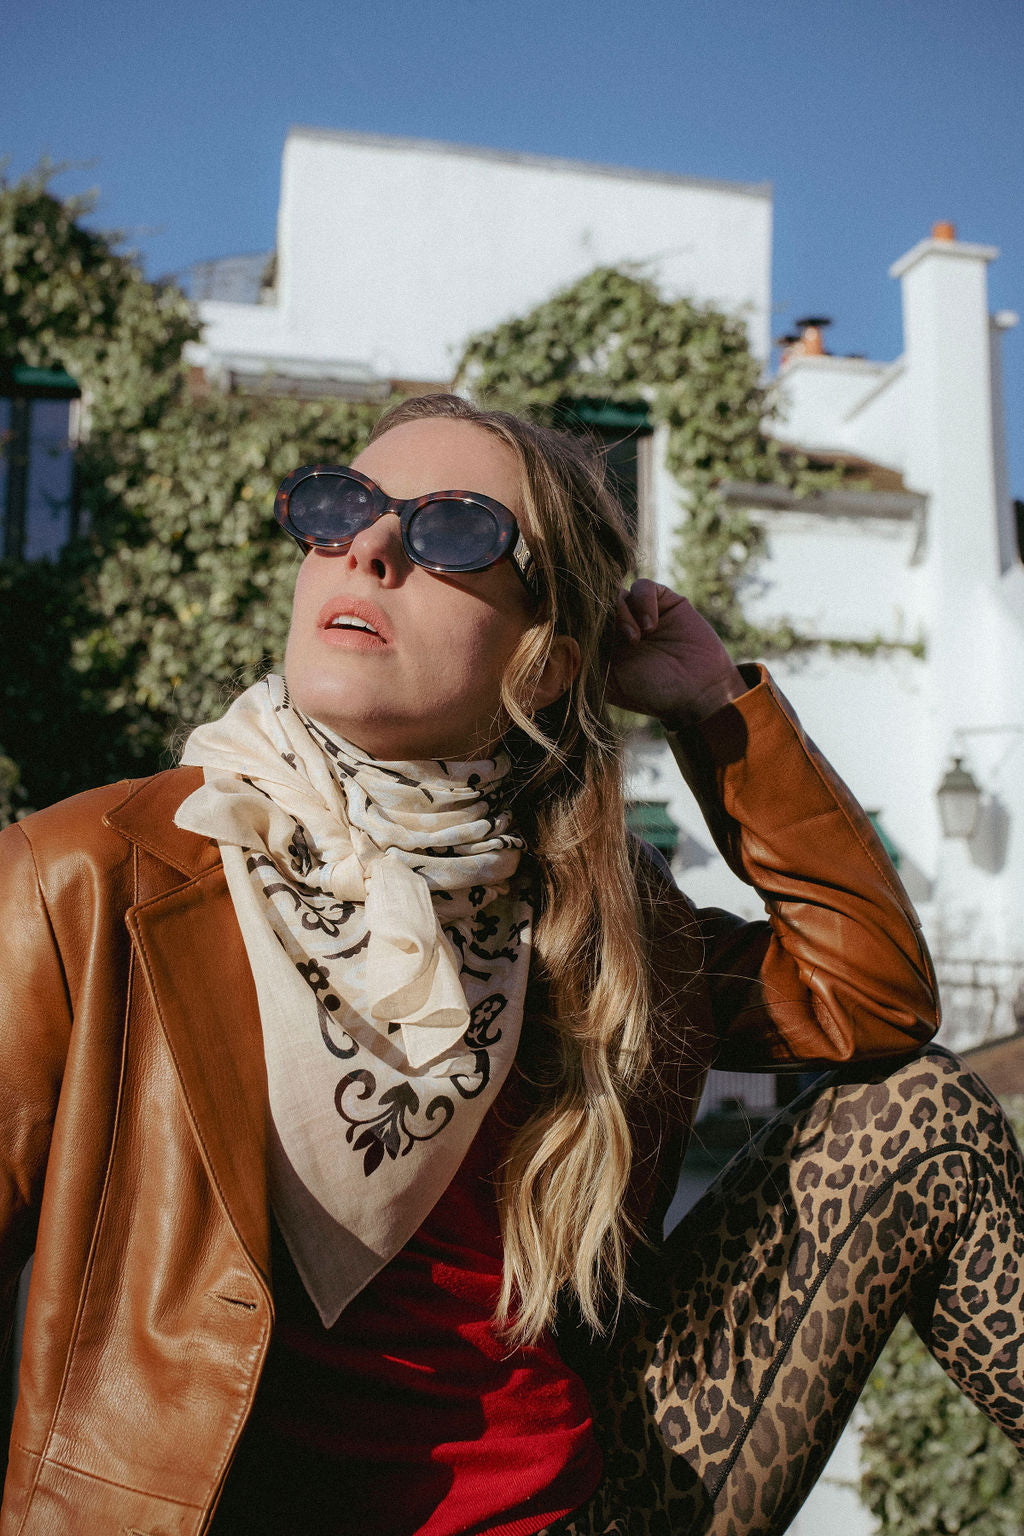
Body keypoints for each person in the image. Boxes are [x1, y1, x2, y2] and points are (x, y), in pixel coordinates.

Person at [0, 392, 1021, 1536]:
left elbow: (867, 996)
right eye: (341, 509)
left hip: (596, 1510)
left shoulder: (588, 918)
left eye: (452, 534)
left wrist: (710, 708)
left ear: (542, 666)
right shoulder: (88, 878)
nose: (372, 547)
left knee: (920, 1113)